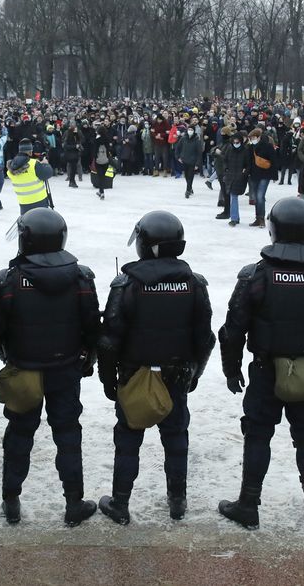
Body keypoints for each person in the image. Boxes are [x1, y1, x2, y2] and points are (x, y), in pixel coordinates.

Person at [217, 199, 304, 530]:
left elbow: (232, 329)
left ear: (273, 228)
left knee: (257, 436)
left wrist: (231, 367)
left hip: (266, 370)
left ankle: (249, 504)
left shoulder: (256, 276)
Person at [96, 211, 214, 525]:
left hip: (136, 375)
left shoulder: (126, 285)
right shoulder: (194, 283)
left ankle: (120, 503)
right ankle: (178, 501)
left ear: (145, 245)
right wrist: (195, 373)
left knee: (128, 439)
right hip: (176, 374)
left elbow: (108, 342)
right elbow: (205, 338)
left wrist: (109, 381)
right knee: (176, 438)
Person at [0, 209, 101, 526]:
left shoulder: (9, 280)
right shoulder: (81, 277)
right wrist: (86, 360)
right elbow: (93, 327)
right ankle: (74, 503)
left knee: (18, 436)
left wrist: (9, 359)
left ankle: (11, 499)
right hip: (65, 370)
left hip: (24, 371)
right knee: (68, 436)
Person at [7, 139, 54, 214]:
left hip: (23, 203)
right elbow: (48, 173)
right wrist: (45, 164)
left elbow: (25, 172)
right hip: (39, 201)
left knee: (27, 223)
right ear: (30, 151)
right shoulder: (34, 164)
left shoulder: (11, 168)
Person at [224, 131, 251, 228]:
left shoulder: (245, 151)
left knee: (234, 196)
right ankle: (235, 218)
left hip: (240, 177)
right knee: (233, 196)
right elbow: (225, 160)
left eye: (237, 142)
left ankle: (234, 218)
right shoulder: (229, 149)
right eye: (234, 142)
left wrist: (244, 172)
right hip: (230, 176)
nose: (235, 144)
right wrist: (226, 169)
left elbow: (249, 165)